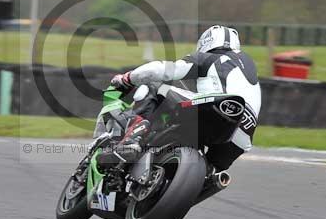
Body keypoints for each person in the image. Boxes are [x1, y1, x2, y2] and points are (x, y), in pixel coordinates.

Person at [99, 25, 261, 172]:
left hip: (215, 106)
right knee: (208, 174)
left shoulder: (208, 58)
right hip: (241, 135)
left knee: (154, 86)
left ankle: (132, 140)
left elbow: (162, 70)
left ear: (206, 42)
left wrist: (127, 78)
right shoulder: (248, 67)